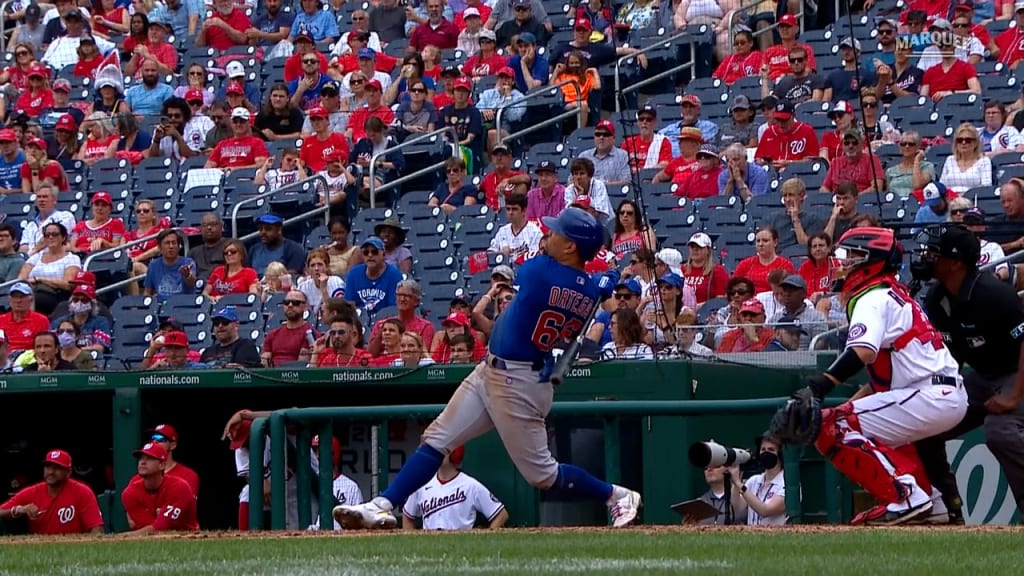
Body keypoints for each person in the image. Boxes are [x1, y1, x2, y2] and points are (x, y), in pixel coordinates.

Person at [332, 208, 642, 530]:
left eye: (557, 233)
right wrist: (598, 282)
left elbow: (544, 272)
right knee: (437, 440)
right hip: (494, 371)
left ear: (571, 247)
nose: (548, 234)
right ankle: (382, 505)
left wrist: (595, 280)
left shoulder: (540, 273)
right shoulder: (587, 291)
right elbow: (577, 282)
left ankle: (617, 496)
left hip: (517, 381)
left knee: (544, 475)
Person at [770, 226, 967, 525]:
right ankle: (932, 501)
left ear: (869, 260)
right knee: (860, 424)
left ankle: (906, 497)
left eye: (850, 256)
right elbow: (883, 380)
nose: (842, 263)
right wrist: (845, 406)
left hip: (930, 394)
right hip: (936, 393)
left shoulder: (872, 297)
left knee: (828, 426)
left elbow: (862, 353)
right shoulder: (891, 292)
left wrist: (818, 388)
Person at [914, 225, 1024, 522]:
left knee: (1000, 433)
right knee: (924, 425)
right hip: (982, 377)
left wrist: (1013, 396)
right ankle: (947, 511)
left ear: (955, 262)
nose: (926, 257)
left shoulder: (993, 294)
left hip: (1016, 373)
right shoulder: (937, 298)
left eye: (934, 253)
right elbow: (948, 354)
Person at [402, 446, 508, 530]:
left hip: (460, 545)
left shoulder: (470, 485)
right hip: (429, 543)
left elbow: (501, 515)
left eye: (441, 450)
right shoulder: (422, 483)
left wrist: (486, 542)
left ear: (454, 453)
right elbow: (407, 516)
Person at [0, 449, 103, 535]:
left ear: (68, 472)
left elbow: (97, 528)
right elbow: (1, 511)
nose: (51, 472)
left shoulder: (82, 492)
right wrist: (18, 509)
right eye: (48, 467)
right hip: (40, 550)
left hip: (74, 548)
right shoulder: (32, 492)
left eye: (57, 468)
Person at [120, 442, 199, 533]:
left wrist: (121, 537)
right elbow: (150, 529)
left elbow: (161, 528)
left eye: (149, 458)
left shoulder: (179, 487)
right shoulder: (130, 493)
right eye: (141, 458)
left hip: (187, 537)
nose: (142, 462)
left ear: (162, 465)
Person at [729, 434, 788, 525]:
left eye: (771, 450)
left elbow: (765, 510)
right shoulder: (754, 481)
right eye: (763, 449)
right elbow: (737, 507)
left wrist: (739, 484)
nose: (766, 453)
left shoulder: (786, 483)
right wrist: (736, 482)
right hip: (752, 537)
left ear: (780, 454)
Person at [344, 236, 403, 313]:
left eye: (374, 252)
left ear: (384, 254)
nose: (370, 255)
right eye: (366, 252)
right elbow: (349, 304)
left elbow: (392, 308)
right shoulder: (354, 273)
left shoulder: (394, 275)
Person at [141, 424, 200, 497]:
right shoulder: (144, 474)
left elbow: (185, 505)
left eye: (160, 438)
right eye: (152, 438)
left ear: (172, 445)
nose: (154, 442)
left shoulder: (188, 475)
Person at [262, 290, 317, 367]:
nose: (290, 305)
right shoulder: (272, 335)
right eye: (286, 302)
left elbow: (301, 366)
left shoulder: (311, 334)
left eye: (295, 303)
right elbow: (265, 362)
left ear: (305, 307)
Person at [205, 108, 269, 171]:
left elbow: (261, 165)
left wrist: (235, 170)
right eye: (235, 121)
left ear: (249, 123)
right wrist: (220, 170)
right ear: (231, 123)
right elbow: (208, 166)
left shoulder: (257, 142)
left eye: (242, 121)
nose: (238, 124)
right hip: (222, 177)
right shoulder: (222, 144)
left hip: (246, 177)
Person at [144, 230, 196, 301]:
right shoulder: (153, 265)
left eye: (174, 243)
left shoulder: (188, 262)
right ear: (159, 247)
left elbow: (193, 284)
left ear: (179, 246)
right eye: (167, 243)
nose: (171, 246)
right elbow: (147, 291)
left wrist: (187, 275)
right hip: (161, 307)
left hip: (184, 306)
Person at [0, 282, 50, 354]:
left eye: (22, 297)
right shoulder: (1, 320)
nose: (18, 301)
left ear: (30, 299)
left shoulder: (41, 320)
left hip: (28, 359)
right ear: (9, 300)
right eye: (15, 297)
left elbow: (43, 347)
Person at [297, 248, 345, 318]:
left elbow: (339, 312)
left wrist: (324, 289)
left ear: (327, 267)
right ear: (308, 269)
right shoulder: (303, 286)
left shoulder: (336, 282)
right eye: (312, 265)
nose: (316, 268)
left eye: (320, 264)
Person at [886, 130, 935, 199]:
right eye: (903, 144)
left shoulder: (927, 166)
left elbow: (917, 186)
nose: (907, 147)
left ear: (918, 147)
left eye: (911, 144)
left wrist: (917, 160)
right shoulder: (890, 171)